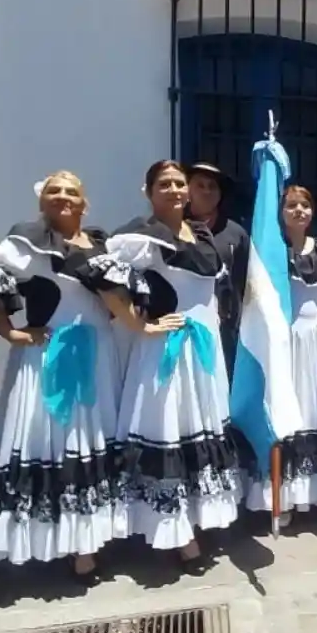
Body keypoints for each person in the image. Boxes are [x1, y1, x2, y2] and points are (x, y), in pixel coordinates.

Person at [0, 172, 144, 581]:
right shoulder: (25, 242)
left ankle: (90, 538)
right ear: (42, 202)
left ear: (85, 203)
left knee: (94, 440)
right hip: (48, 356)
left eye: (71, 192)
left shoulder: (101, 246)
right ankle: (67, 547)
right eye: (54, 191)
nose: (62, 197)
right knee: (55, 443)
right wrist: (9, 331)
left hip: (99, 354)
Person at [105, 161, 242, 568]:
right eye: (164, 184)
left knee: (198, 431)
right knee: (168, 429)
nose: (174, 190)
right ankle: (179, 535)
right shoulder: (141, 236)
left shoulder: (199, 233)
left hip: (204, 349)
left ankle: (197, 521)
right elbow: (107, 282)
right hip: (169, 349)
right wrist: (139, 324)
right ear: (148, 191)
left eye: (178, 183)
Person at [246, 185, 317, 523]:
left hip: (314, 343)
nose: (299, 210)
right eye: (291, 205)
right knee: (284, 412)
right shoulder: (271, 252)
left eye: (304, 204)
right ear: (281, 211)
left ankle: (310, 494)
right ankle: (282, 496)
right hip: (280, 342)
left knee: (311, 410)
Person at [186, 163, 250, 380]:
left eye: (212, 186)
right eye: (200, 185)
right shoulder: (174, 229)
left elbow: (243, 282)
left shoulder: (236, 233)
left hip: (225, 328)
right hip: (185, 325)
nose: (206, 191)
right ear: (188, 190)